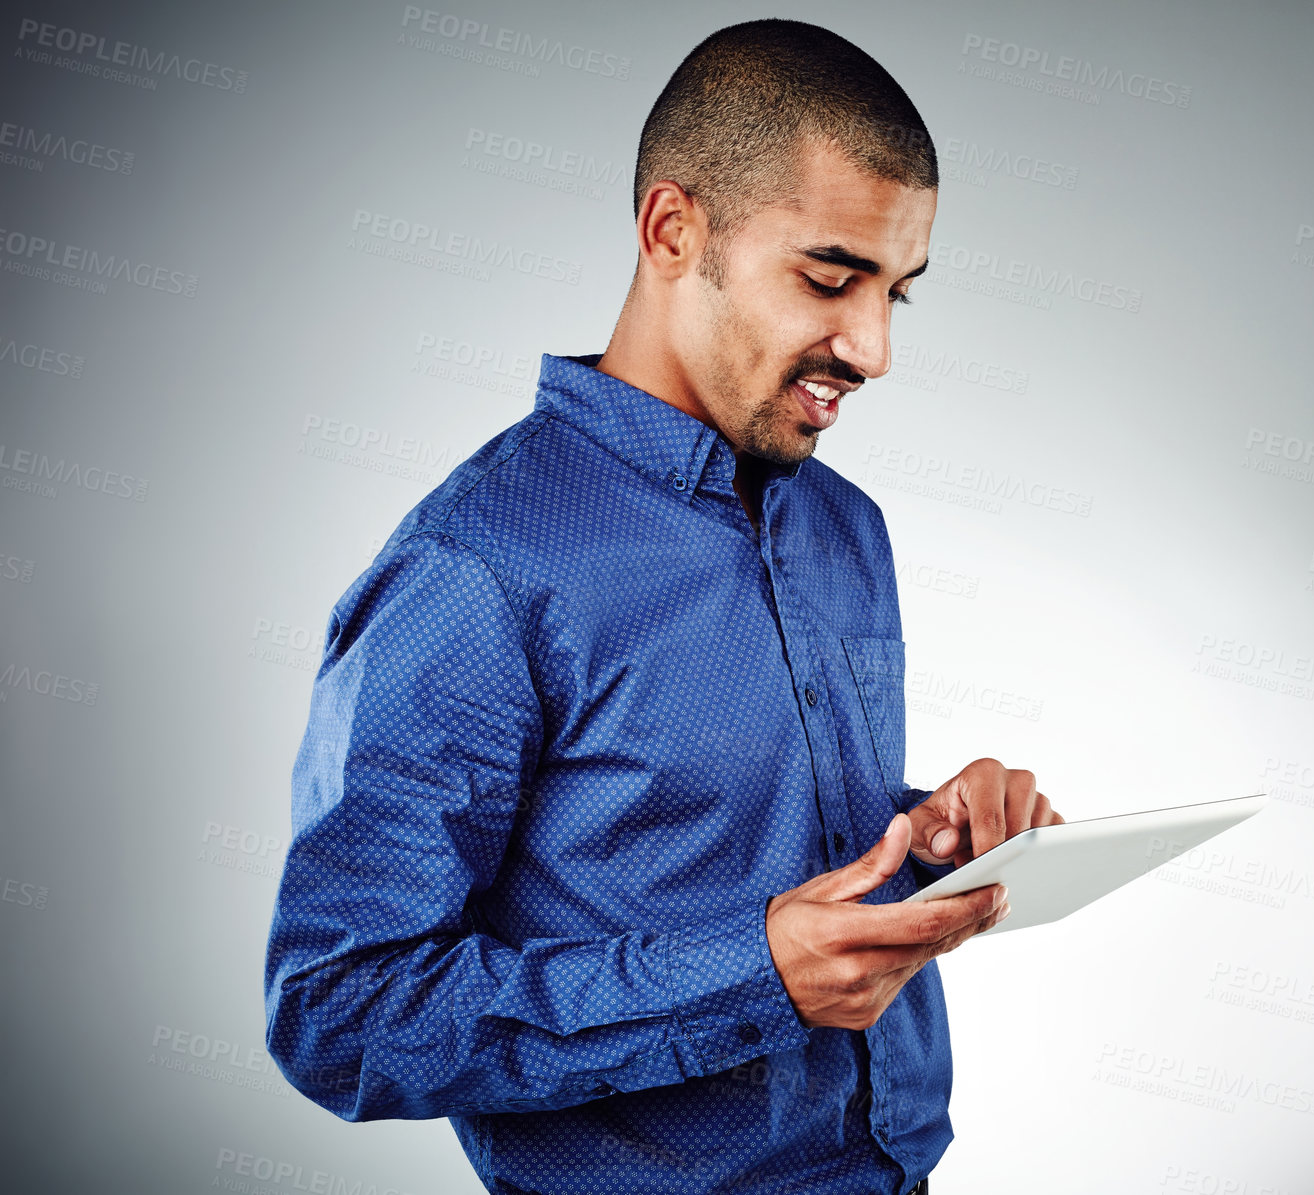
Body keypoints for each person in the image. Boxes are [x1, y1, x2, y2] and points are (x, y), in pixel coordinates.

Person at [263, 17, 1062, 1195]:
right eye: (831, 276)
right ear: (672, 230)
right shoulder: (474, 568)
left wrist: (922, 838)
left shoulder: (845, 528)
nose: (874, 347)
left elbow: (716, 842)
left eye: (898, 290)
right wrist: (754, 976)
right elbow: (340, 1012)